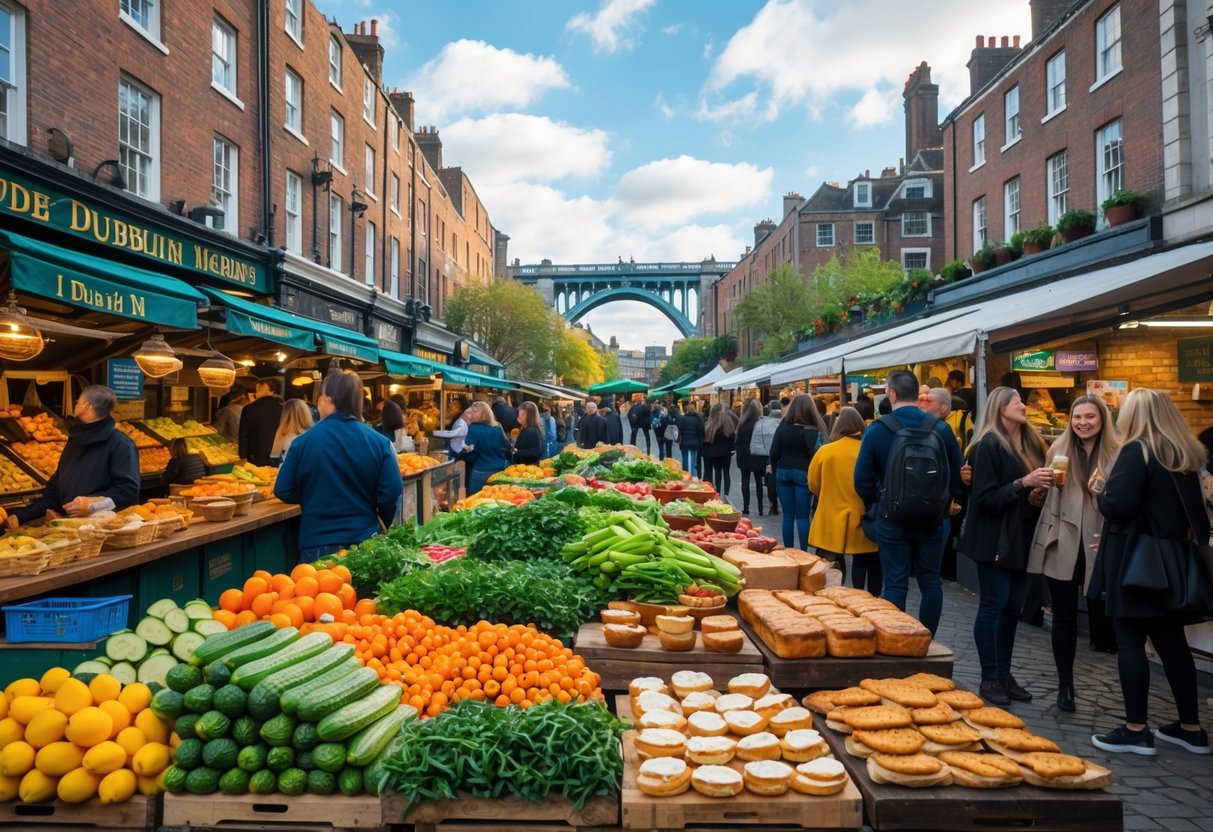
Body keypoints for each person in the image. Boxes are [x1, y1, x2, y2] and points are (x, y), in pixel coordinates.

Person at [1088, 389, 1211, 756]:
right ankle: (1190, 728)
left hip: (1135, 562)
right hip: (1172, 564)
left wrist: (1099, 490)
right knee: (1172, 641)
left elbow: (1118, 507)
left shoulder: (1137, 450)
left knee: (1130, 642)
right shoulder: (1184, 455)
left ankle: (1135, 729)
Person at [958, 386, 1052, 706]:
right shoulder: (987, 446)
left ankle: (1004, 673)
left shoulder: (1029, 444)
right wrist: (1023, 484)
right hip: (994, 539)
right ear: (1001, 409)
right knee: (994, 605)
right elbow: (985, 499)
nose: (1024, 406)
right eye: (1017, 402)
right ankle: (989, 676)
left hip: (1021, 539)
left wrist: (1035, 495)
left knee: (1013, 608)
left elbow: (1020, 496)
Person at [1027, 394, 1120, 713]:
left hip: (1101, 543)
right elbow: (1049, 495)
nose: (1082, 422)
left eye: (1090, 417)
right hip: (1063, 542)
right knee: (1064, 617)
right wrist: (1039, 492)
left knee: (1115, 617)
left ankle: (1128, 690)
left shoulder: (1117, 453)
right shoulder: (1058, 449)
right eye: (1077, 417)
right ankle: (1065, 686)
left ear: (1102, 419)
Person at [854, 370, 963, 639]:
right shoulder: (940, 428)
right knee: (930, 580)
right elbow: (957, 472)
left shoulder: (878, 429)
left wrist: (878, 502)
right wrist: (945, 503)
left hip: (891, 518)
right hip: (931, 519)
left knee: (895, 582)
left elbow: (861, 479)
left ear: (891, 394)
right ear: (918, 395)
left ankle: (895, 639)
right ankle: (928, 639)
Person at [273, 371, 402, 561]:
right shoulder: (379, 442)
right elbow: (392, 491)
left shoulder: (302, 442)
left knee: (319, 591)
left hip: (316, 544)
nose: (319, 403)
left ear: (329, 399)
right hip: (364, 541)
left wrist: (314, 494)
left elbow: (283, 489)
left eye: (321, 398)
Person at [12, 387, 139, 525]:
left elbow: (128, 492)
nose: (75, 405)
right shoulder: (74, 442)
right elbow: (55, 492)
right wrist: (20, 515)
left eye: (78, 401)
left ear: (87, 406)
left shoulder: (121, 444)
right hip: (70, 532)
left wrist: (92, 504)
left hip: (103, 533)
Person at [809, 408, 880, 593]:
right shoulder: (868, 451)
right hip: (862, 514)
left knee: (833, 561)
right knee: (863, 560)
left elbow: (813, 484)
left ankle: (836, 593)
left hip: (830, 515)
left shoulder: (826, 451)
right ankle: (865, 595)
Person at [770, 394, 826, 550]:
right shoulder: (812, 431)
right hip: (803, 473)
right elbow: (817, 456)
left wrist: (775, 469)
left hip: (783, 472)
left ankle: (788, 551)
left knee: (787, 515)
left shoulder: (782, 427)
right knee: (802, 517)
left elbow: (773, 453)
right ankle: (804, 553)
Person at [463, 401, 511, 494]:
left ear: (484, 414)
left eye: (475, 411)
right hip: (499, 472)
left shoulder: (473, 428)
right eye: (471, 411)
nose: (472, 414)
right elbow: (507, 448)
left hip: (481, 472)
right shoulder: (498, 427)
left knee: (477, 504)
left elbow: (469, 453)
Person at [239, 377, 284, 466]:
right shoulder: (284, 408)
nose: (256, 393)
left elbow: (243, 436)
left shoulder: (248, 409)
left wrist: (243, 457)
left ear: (272, 391)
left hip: (255, 456)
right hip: (279, 455)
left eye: (259, 390)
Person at [735, 400, 767, 515]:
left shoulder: (741, 423)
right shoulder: (759, 423)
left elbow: (737, 441)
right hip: (756, 454)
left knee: (745, 480)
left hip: (743, 454)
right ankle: (760, 508)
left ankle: (745, 507)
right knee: (758, 481)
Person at [752, 402, 782, 515]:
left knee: (771, 481)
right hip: (780, 458)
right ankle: (775, 504)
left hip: (768, 456)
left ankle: (772, 504)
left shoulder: (763, 424)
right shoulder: (782, 425)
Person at [702, 402, 737, 498]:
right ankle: (726, 494)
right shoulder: (729, 424)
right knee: (726, 473)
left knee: (717, 472)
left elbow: (707, 440)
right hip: (726, 453)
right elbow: (733, 439)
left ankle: (717, 492)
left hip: (714, 453)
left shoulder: (710, 425)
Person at [268, 399, 315, 465]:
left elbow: (274, 456)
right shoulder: (313, 432)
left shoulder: (282, 431)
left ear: (285, 413)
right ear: (305, 412)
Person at [676, 401, 705, 476]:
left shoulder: (683, 419)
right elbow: (701, 431)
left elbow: (680, 430)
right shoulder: (698, 419)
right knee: (693, 463)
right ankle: (694, 478)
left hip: (684, 443)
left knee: (685, 462)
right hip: (695, 443)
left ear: (687, 410)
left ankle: (686, 477)